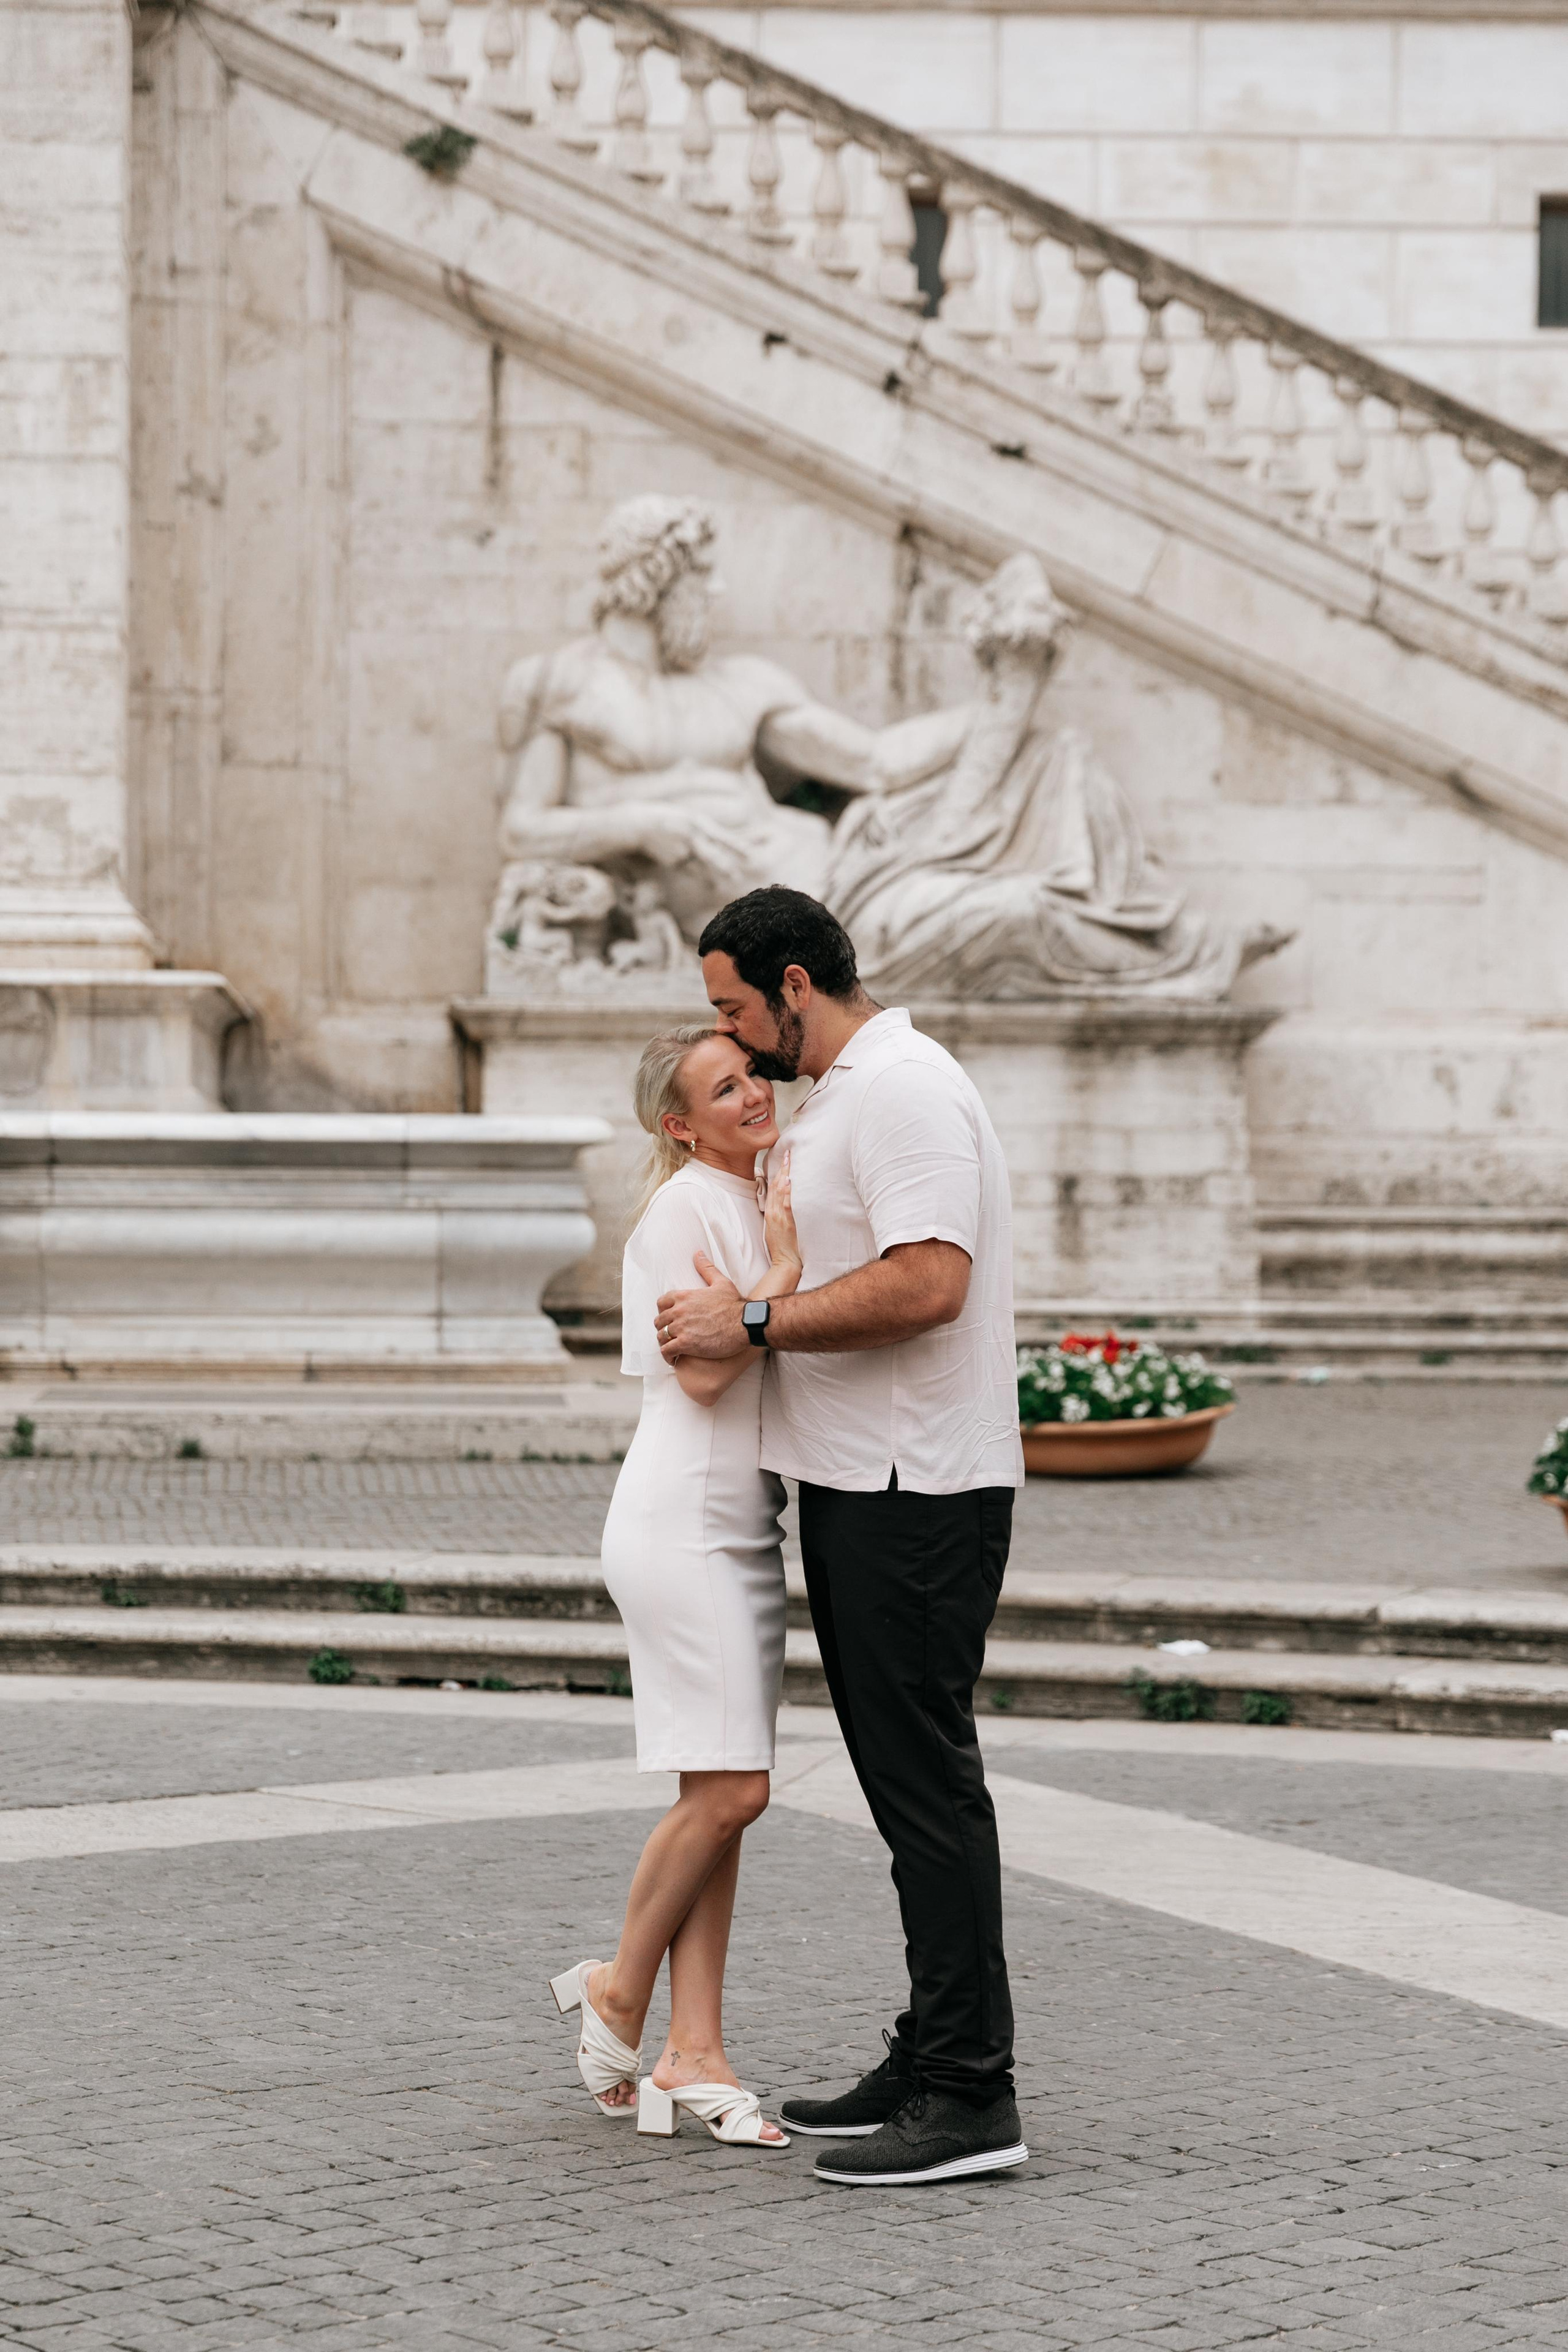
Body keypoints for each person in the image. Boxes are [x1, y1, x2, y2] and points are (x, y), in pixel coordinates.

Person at [655, 886, 1028, 2188]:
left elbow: (931, 1282)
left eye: (732, 1007)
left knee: (924, 1788)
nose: (730, 1030)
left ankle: (972, 2095)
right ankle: (930, 2056)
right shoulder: (856, 1092)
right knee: (902, 1783)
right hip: (870, 1481)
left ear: (795, 985)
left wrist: (752, 1327)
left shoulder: (904, 1089)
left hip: (914, 1487)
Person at [549, 1024, 802, 2152]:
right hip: (684, 1521)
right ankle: (616, 1988)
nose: (753, 1094)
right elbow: (703, 1375)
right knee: (734, 1792)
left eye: (751, 1076)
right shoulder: (684, 1210)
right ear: (678, 1123)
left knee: (721, 1798)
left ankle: (694, 2051)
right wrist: (787, 1280)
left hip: (736, 1523)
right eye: (723, 1088)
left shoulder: (748, 1196)